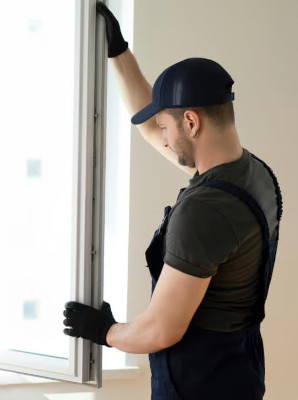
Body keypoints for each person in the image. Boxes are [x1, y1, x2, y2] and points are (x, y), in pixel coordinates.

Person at [62, 3, 283, 400]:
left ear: (192, 122)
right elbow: (148, 126)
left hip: (199, 386)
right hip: (239, 373)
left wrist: (104, 331)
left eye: (167, 126)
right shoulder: (253, 174)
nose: (161, 137)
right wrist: (118, 51)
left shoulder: (205, 211)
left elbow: (161, 329)